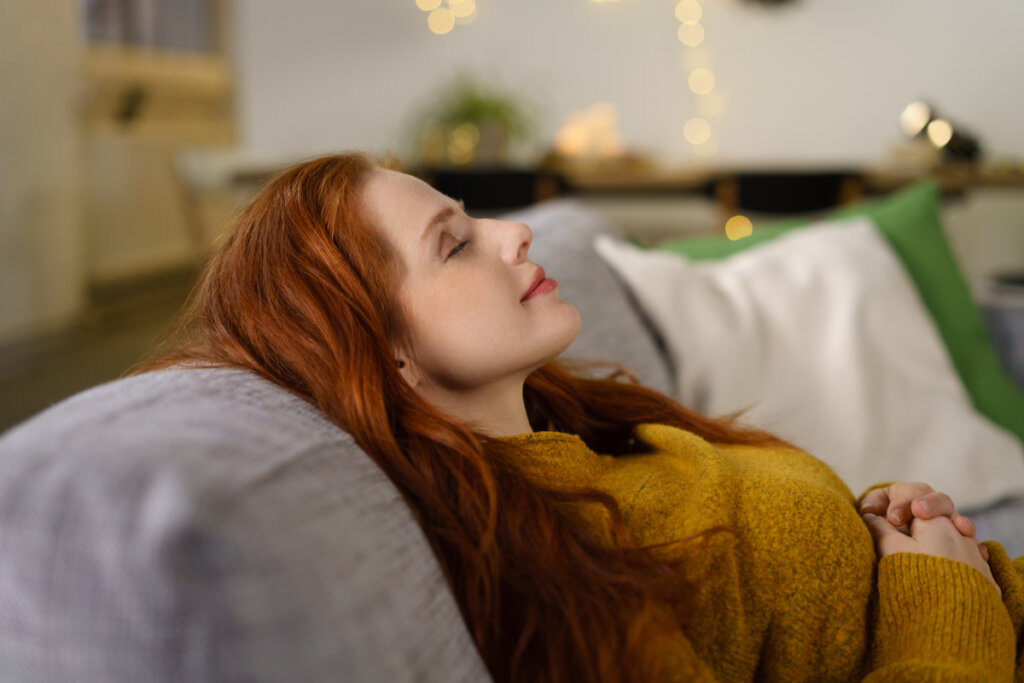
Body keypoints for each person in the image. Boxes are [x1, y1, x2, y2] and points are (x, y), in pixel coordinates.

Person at [143, 152, 1024, 682]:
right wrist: (938, 593)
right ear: (386, 352)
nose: (514, 234)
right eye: (455, 242)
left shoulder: (584, 432)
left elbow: (775, 584)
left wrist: (874, 532)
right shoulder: (549, 574)